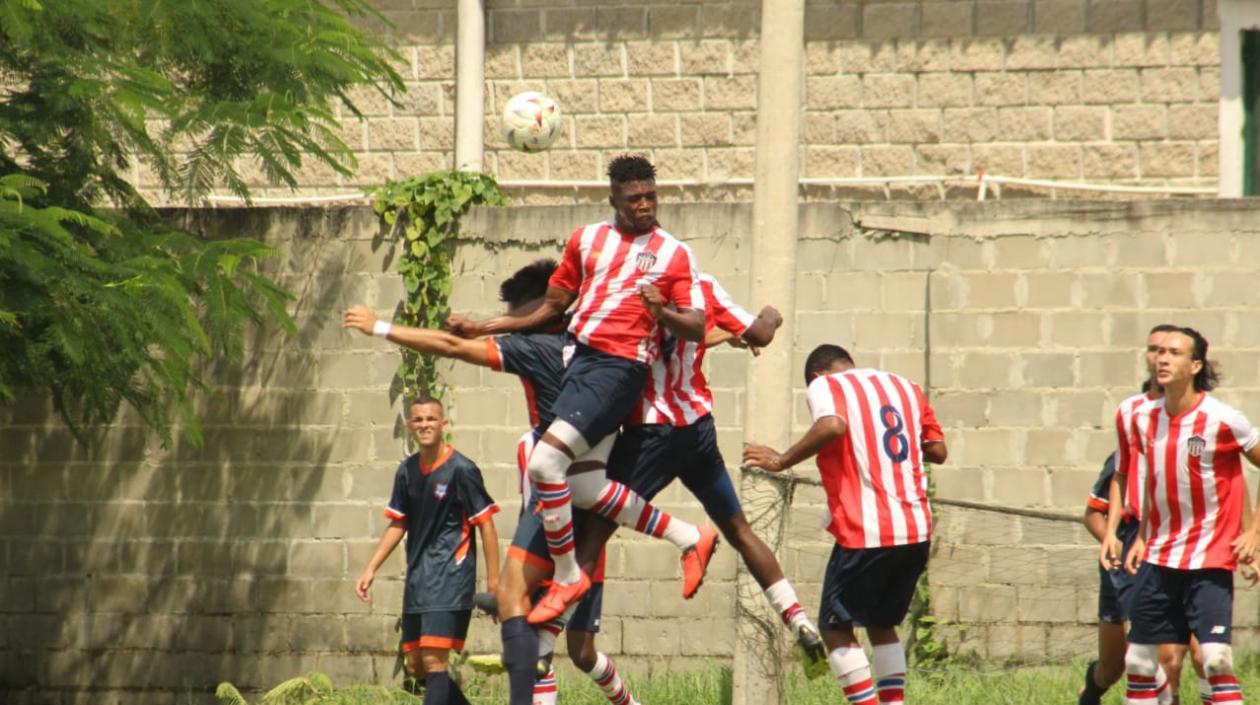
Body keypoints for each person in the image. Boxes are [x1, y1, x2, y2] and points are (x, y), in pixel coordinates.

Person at [343, 260, 640, 705]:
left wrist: (379, 326)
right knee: (574, 648)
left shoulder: (536, 352)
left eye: (523, 318)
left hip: (563, 515)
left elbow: (448, 345)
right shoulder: (600, 346)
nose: (516, 328)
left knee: (526, 622)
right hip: (594, 507)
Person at [446, 154, 717, 623]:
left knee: (545, 463)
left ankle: (569, 575)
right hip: (581, 363)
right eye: (634, 198)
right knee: (586, 483)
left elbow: (696, 324)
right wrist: (481, 326)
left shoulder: (674, 254)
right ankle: (689, 537)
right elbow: (551, 308)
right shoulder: (586, 240)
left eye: (651, 196)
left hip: (619, 369)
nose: (645, 205)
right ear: (613, 198)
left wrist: (662, 313)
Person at [562, 272, 829, 678]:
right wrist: (771, 317)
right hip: (697, 431)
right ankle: (797, 619)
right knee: (739, 529)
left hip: (649, 432)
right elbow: (757, 333)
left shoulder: (623, 289)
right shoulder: (702, 287)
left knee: (595, 529)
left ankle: (545, 625)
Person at [743, 344, 947, 705]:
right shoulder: (907, 387)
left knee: (835, 628)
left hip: (867, 528)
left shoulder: (826, 385)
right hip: (915, 528)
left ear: (817, 375)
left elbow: (833, 425)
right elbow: (938, 450)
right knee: (882, 624)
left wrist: (782, 459)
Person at [1120, 327, 1260, 705]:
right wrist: (1143, 536)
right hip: (1158, 557)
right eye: (1157, 351)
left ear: (1195, 365)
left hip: (1209, 557)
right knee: (1139, 660)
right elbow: (1155, 484)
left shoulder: (1223, 419)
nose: (1162, 359)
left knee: (1214, 659)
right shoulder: (1140, 416)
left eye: (1174, 353)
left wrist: (1254, 533)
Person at [353, 397, 500, 705]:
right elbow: (398, 523)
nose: (424, 425)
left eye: (431, 419)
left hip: (450, 577)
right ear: (410, 426)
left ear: (443, 424)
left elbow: (486, 525)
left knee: (435, 663)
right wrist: (370, 569)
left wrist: (494, 584)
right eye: (418, 420)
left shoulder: (462, 470)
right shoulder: (406, 471)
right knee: (416, 666)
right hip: (419, 578)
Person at [1083, 325, 1179, 705]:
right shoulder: (1123, 458)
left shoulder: (1193, 443)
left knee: (1175, 656)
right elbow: (1093, 513)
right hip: (1129, 559)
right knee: (1115, 665)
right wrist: (1116, 547)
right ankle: (1091, 691)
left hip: (1175, 554)